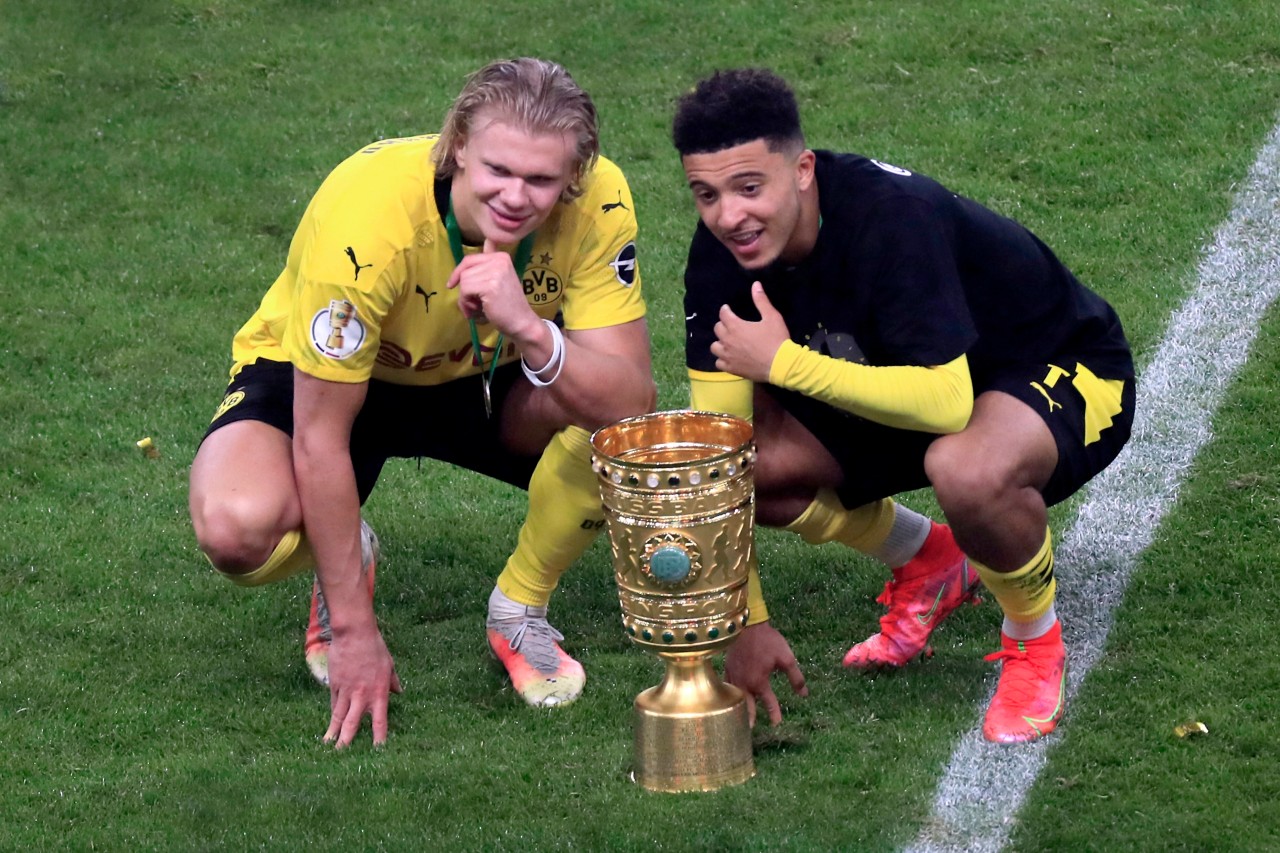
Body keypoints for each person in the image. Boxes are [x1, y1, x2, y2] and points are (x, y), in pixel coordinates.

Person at [189, 58, 655, 748]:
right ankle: (345, 557)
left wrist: (529, 327)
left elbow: (630, 401)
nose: (516, 196)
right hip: (339, 379)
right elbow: (320, 438)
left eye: (541, 180)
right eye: (498, 169)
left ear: (576, 177)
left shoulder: (600, 201)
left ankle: (518, 609)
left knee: (622, 447)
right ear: (457, 145)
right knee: (235, 531)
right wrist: (354, 632)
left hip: (488, 374)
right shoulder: (369, 221)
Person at [672, 68, 1134, 743]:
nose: (728, 217)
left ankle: (1034, 640)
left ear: (802, 169)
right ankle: (929, 559)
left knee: (966, 469)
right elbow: (717, 454)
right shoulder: (719, 260)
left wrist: (783, 364)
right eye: (706, 195)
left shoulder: (890, 215)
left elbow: (947, 402)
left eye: (749, 187)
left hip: (1056, 364)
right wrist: (747, 620)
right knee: (753, 468)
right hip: (895, 377)